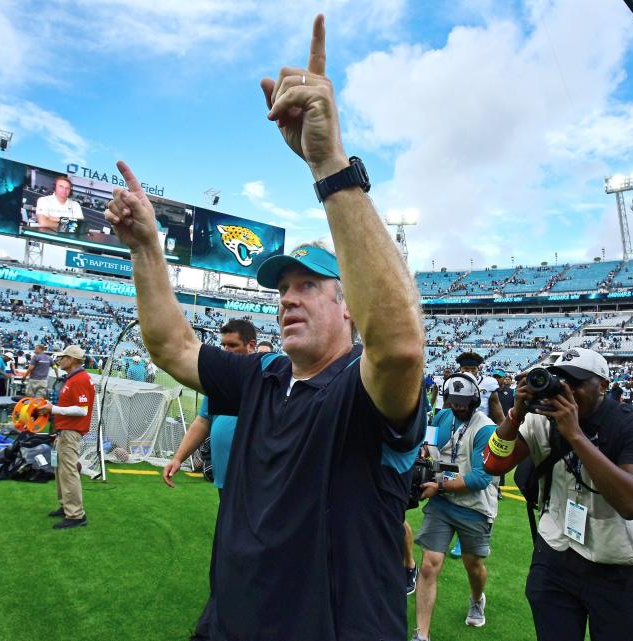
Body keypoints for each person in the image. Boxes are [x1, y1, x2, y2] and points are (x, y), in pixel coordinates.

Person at [103, 15, 425, 639]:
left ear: (350, 305)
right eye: (282, 289)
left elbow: (401, 347)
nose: (289, 299)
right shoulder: (264, 376)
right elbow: (172, 345)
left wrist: (329, 163)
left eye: (309, 285)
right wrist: (146, 248)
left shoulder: (362, 393)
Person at [483, 348, 633, 641]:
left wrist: (575, 434)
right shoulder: (541, 419)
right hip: (555, 553)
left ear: (603, 385)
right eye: (558, 380)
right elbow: (493, 464)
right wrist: (515, 414)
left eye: (574, 382)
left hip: (616, 563)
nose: (564, 390)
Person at [161, 319, 257, 641]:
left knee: (249, 548)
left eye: (234, 346)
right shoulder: (221, 383)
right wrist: (178, 456)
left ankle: (239, 610)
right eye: (224, 345)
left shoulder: (261, 380)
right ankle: (228, 603)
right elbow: (203, 420)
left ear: (251, 347)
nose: (227, 351)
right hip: (225, 481)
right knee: (230, 546)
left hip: (255, 484)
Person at [411, 373, 499, 640]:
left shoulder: (486, 428)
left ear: (475, 400)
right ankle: (421, 635)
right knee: (429, 564)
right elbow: (429, 443)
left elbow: (481, 478)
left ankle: (476, 598)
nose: (459, 407)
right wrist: (425, 451)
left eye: (464, 402)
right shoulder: (442, 417)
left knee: (473, 565)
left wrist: (439, 486)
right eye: (454, 402)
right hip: (442, 503)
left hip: (473, 506)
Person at [37, 345, 94, 529]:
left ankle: (76, 515)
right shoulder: (75, 378)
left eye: (63, 357)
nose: (60, 360)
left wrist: (52, 409)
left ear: (72, 360)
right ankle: (66, 506)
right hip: (65, 430)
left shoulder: (79, 379)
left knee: (68, 472)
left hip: (70, 431)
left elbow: (82, 409)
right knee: (60, 470)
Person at [456, 352, 503, 424]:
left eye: (473, 369)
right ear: (460, 369)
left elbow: (499, 414)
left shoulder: (488, 383)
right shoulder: (453, 382)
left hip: (481, 425)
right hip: (458, 424)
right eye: (466, 369)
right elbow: (446, 410)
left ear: (478, 369)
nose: (470, 372)